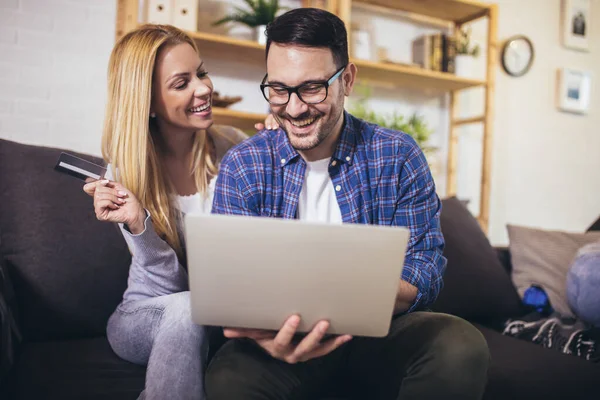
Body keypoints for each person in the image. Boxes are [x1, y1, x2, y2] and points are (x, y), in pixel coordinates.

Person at [206, 8, 490, 400]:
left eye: (312, 87)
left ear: (348, 80)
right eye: (279, 88)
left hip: (379, 337)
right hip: (280, 347)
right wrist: (268, 340)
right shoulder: (244, 165)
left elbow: (425, 265)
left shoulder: (398, 155)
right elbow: (230, 282)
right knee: (228, 376)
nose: (294, 108)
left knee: (459, 344)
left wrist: (364, 296)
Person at [82, 24, 260, 400]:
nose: (204, 88)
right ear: (146, 101)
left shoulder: (234, 147)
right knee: (185, 308)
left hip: (218, 318)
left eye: (202, 72)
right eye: (182, 83)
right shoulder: (125, 175)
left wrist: (278, 156)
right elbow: (170, 290)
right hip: (147, 316)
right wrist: (139, 225)